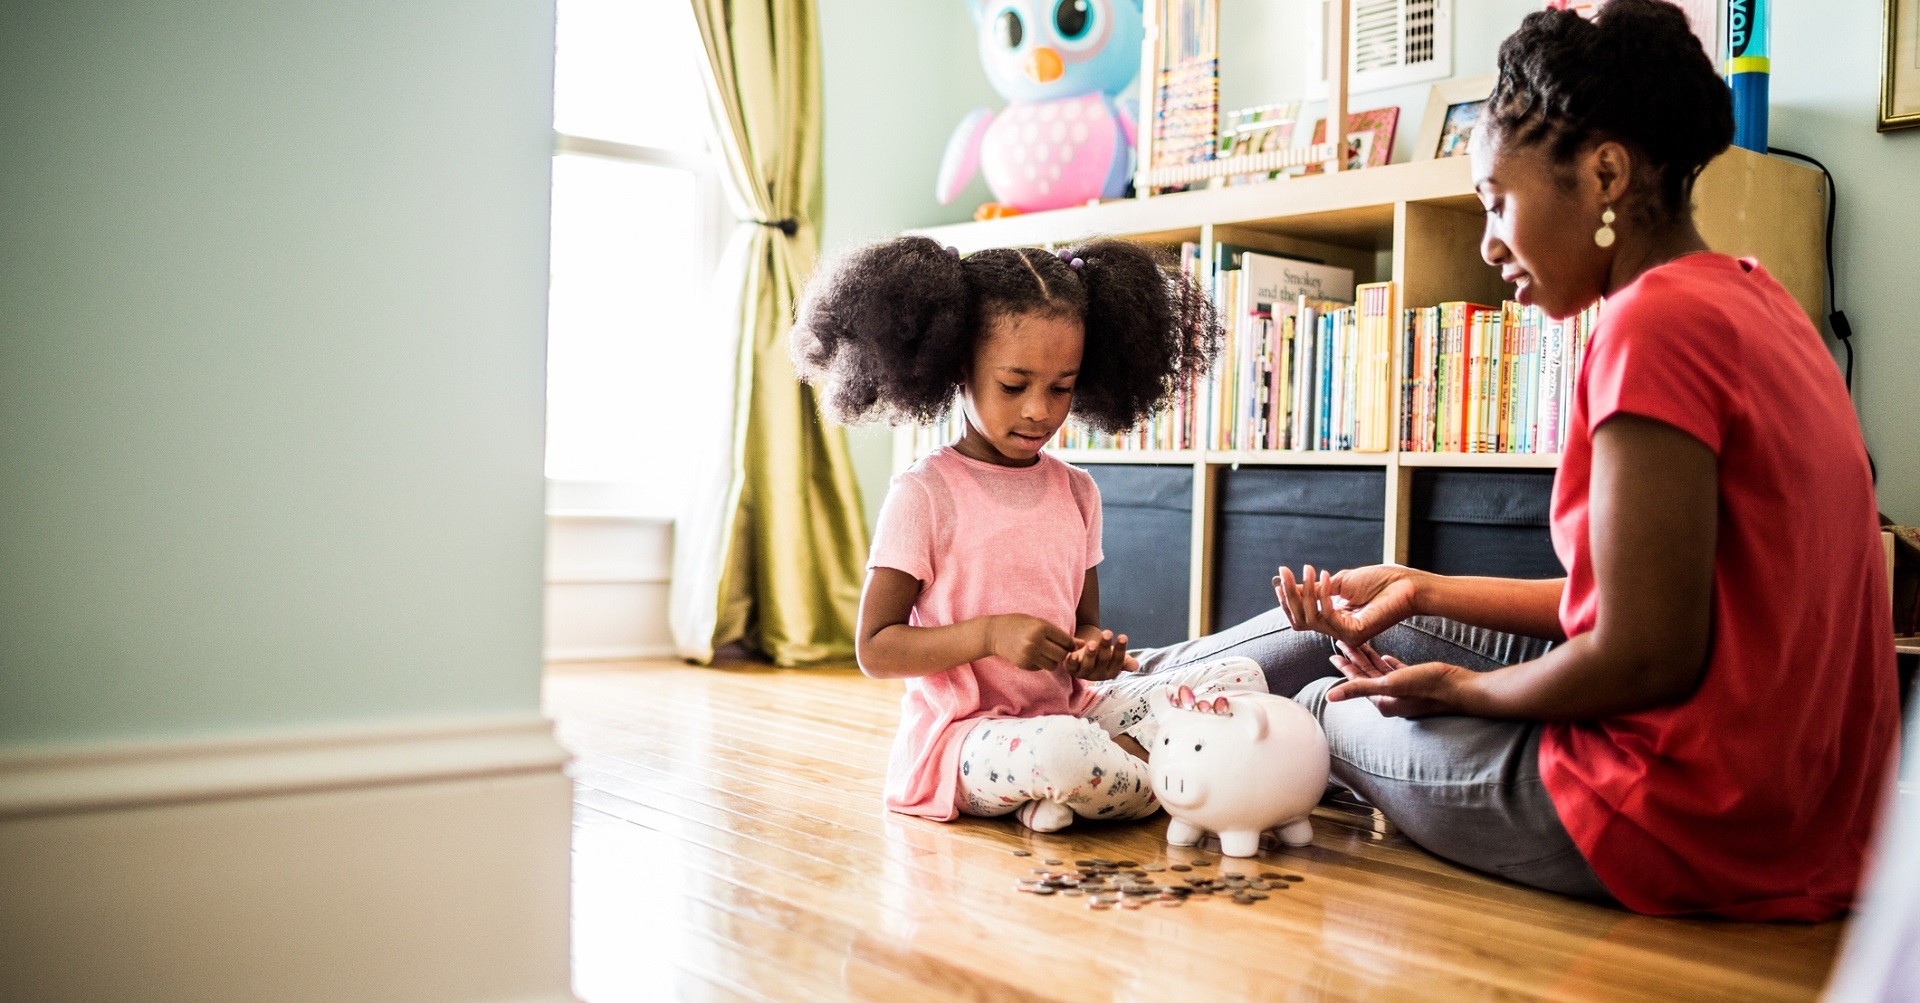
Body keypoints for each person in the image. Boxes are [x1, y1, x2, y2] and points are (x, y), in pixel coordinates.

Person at [1134, 0, 1899, 920]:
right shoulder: (1757, 302)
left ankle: (1126, 714)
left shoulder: (1654, 329)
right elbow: (1654, 600)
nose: (1489, 241)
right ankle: (1133, 688)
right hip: (1810, 812)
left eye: (1499, 201)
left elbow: (1645, 656)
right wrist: (1422, 588)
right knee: (1359, 619)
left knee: (1330, 706)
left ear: (1605, 172)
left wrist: (1463, 691)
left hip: (1683, 817)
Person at [791, 235, 1264, 832]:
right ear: (957, 366)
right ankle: (1181, 781)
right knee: (1063, 753)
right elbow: (876, 648)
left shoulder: (1077, 492)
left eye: (1061, 387)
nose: (1040, 410)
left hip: (1073, 711)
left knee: (1241, 678)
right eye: (1014, 386)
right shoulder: (924, 494)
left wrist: (1094, 653)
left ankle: (1106, 786)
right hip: (967, 741)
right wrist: (990, 635)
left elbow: (1083, 623)